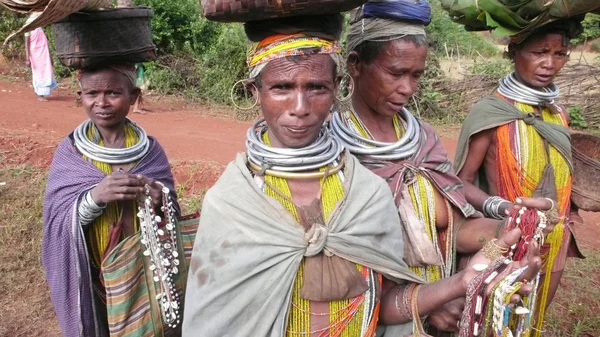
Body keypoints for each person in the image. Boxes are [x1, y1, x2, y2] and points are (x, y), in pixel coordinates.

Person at [182, 14, 542, 337]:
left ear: (337, 88)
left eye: (317, 88)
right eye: (282, 88)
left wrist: (462, 281)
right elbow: (216, 315)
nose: (300, 108)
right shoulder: (232, 201)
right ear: (254, 92)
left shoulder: (365, 193)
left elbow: (383, 306)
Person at [329, 1, 558, 334]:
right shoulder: (334, 152)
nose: (407, 88)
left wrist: (512, 225)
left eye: (416, 75)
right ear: (356, 65)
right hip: (372, 311)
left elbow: (451, 232)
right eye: (395, 73)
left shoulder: (422, 138)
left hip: (445, 301)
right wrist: (430, 299)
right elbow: (345, 267)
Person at [454, 19, 585, 336]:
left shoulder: (558, 113)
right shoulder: (491, 113)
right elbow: (459, 183)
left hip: (554, 241)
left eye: (560, 53)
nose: (549, 63)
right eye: (540, 52)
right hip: (506, 240)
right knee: (491, 322)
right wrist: (502, 208)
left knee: (530, 323)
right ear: (514, 51)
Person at [42, 64, 178, 336]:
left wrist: (158, 200)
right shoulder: (72, 153)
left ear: (133, 96)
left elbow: (171, 211)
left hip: (144, 272)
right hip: (93, 273)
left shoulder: (150, 152)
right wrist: (95, 197)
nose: (101, 103)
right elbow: (57, 221)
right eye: (92, 93)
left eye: (113, 93)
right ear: (80, 95)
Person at [24, 18, 58, 101]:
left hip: (43, 54)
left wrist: (50, 57)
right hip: (35, 55)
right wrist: (27, 58)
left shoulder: (39, 28)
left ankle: (40, 92)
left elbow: (45, 43)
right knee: (38, 73)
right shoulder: (28, 27)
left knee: (45, 72)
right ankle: (40, 94)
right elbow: (26, 44)